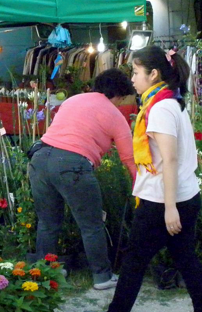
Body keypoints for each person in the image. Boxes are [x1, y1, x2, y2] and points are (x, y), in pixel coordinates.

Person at [83, 46, 202, 312]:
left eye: (135, 71)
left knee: (134, 260)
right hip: (180, 195)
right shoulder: (170, 102)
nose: (132, 78)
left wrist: (170, 208)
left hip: (162, 200)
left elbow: (169, 159)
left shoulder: (160, 108)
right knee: (185, 258)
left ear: (153, 74)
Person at [28, 69, 137, 290]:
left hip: (39, 159)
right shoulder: (116, 116)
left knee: (48, 223)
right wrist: (139, 189)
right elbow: (129, 159)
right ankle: (102, 277)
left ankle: (46, 271)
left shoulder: (72, 100)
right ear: (119, 95)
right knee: (91, 224)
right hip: (72, 165)